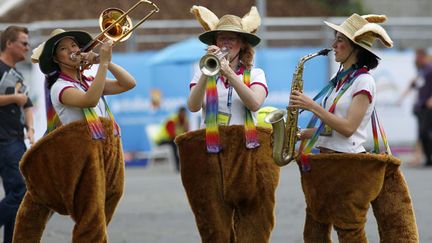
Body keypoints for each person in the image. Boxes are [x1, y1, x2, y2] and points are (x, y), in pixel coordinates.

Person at [290, 14, 418, 242]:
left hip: (348, 165)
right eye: (335, 38)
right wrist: (297, 135)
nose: (333, 45)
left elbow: (348, 128)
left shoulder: (364, 81)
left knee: (349, 232)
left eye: (340, 40)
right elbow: (328, 130)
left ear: (355, 48)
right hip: (327, 162)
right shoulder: (338, 78)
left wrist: (311, 105)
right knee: (314, 231)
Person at [12, 29, 136, 242]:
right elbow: (90, 100)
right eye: (63, 48)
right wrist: (103, 65)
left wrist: (102, 61)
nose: (72, 50)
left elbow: (129, 83)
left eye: (74, 45)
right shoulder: (60, 87)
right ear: (56, 59)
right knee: (89, 217)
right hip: (81, 159)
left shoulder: (88, 80)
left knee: (100, 212)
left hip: (103, 153)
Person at [175, 5, 280, 243]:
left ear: (242, 44)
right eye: (222, 38)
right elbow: (193, 105)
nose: (226, 43)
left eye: (232, 38)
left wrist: (230, 74)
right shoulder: (202, 70)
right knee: (215, 227)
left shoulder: (256, 73)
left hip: (245, 153)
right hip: (210, 152)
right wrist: (207, 70)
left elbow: (254, 103)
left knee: (251, 225)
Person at [0, 25, 34, 243]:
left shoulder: (18, 73)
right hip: (4, 140)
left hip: (14, 139)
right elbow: (20, 100)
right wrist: (14, 99)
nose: (27, 47)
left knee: (19, 193)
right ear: (9, 43)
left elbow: (28, 104)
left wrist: (30, 128)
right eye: (23, 42)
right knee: (21, 191)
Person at [154, 106, 189, 171]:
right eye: (182, 113)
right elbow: (171, 134)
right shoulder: (172, 120)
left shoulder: (185, 120)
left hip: (173, 139)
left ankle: (187, 164)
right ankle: (178, 167)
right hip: (162, 140)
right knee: (174, 144)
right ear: (179, 113)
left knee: (187, 143)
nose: (183, 115)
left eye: (184, 114)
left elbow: (186, 132)